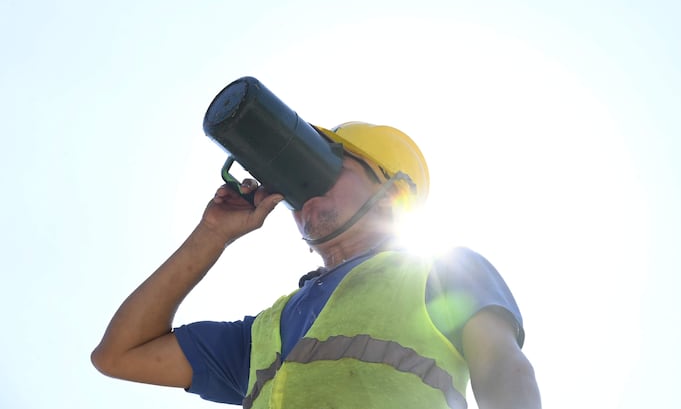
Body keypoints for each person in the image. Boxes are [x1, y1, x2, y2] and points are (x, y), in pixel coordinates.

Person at [91, 121, 541, 409]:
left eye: (329, 167)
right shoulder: (264, 333)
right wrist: (211, 235)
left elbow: (504, 370)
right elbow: (118, 354)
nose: (303, 190)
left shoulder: (443, 271)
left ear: (394, 194)